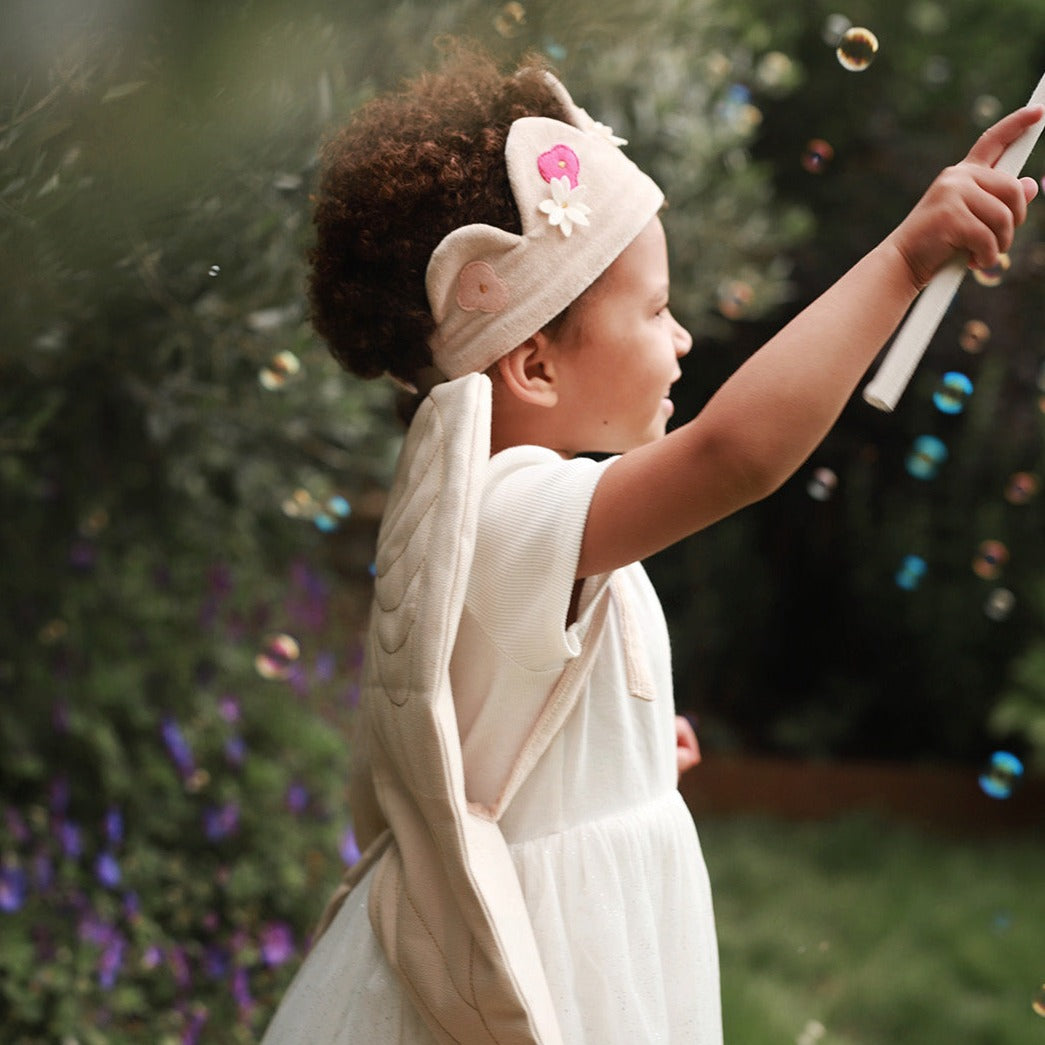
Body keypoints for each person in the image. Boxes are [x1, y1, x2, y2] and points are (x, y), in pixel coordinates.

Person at [260, 45, 1040, 1045]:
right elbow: (735, 455)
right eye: (658, 309)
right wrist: (898, 261)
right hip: (535, 970)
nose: (679, 341)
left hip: (591, 930)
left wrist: (617, 762)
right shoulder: (508, 507)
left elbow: (502, 736)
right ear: (533, 364)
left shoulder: (527, 511)